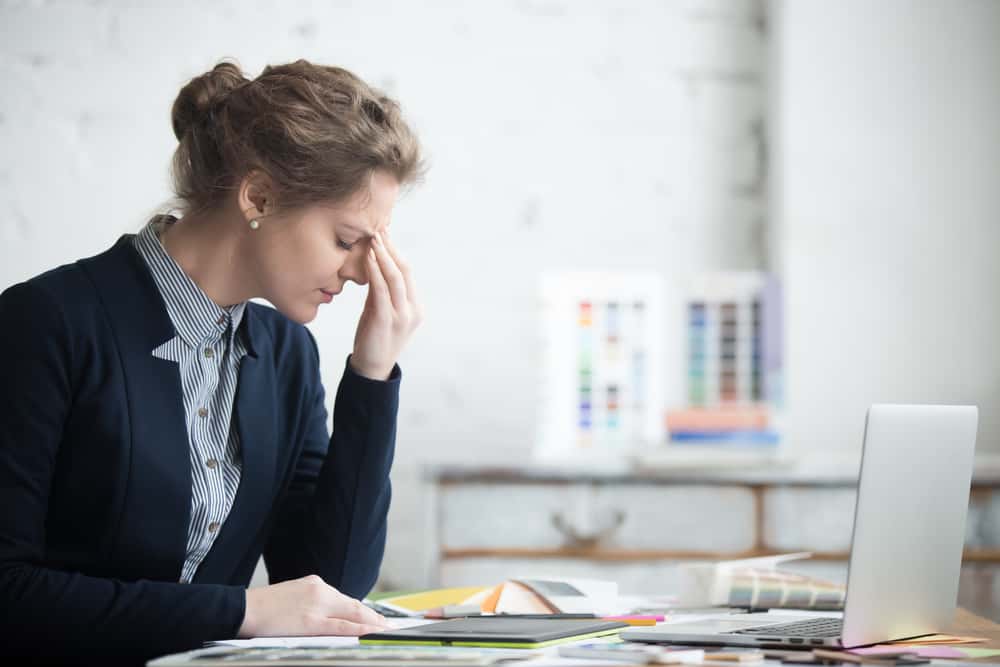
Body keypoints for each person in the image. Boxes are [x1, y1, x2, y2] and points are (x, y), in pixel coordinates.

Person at [0, 59, 424, 665]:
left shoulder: (283, 354)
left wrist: (372, 375)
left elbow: (331, 585)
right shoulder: (46, 323)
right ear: (258, 196)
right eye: (346, 240)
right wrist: (243, 611)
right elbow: (8, 592)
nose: (361, 272)